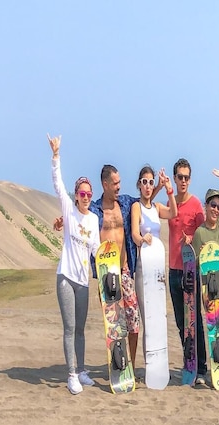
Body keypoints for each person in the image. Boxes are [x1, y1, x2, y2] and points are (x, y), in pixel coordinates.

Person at [54, 164, 161, 371]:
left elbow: (145, 200)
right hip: (106, 275)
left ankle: (130, 363)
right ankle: (117, 364)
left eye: (120, 182)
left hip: (125, 270)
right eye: (115, 183)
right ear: (105, 184)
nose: (119, 186)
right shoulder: (94, 210)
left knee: (133, 322)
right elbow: (79, 215)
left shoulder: (127, 203)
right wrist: (63, 222)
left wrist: (158, 187)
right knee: (114, 325)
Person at [48, 134, 100, 395]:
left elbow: (96, 249)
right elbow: (58, 184)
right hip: (66, 277)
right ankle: (71, 375)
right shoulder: (69, 210)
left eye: (89, 194)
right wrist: (56, 156)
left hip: (83, 281)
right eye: (82, 193)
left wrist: (108, 259)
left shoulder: (92, 220)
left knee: (81, 329)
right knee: (69, 328)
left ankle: (81, 370)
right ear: (76, 195)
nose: (86, 197)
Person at [131, 166, 178, 361]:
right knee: (147, 318)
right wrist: (142, 239)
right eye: (144, 182)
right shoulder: (136, 207)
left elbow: (174, 212)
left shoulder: (157, 207)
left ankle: (158, 362)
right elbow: (134, 233)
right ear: (139, 185)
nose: (148, 186)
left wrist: (168, 188)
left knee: (158, 317)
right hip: (143, 266)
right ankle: (148, 361)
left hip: (158, 267)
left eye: (151, 182)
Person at [167, 158, 207, 382]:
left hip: (191, 269)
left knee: (195, 320)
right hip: (173, 269)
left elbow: (205, 231)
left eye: (186, 177)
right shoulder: (171, 202)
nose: (183, 181)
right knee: (181, 321)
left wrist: (192, 237)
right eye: (180, 177)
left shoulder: (196, 205)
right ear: (175, 178)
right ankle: (188, 362)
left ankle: (201, 368)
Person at [192, 169, 219, 382]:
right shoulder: (200, 233)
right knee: (212, 327)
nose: (216, 209)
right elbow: (198, 264)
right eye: (212, 205)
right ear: (206, 207)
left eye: (218, 206)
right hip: (210, 287)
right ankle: (206, 369)